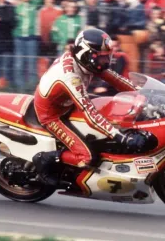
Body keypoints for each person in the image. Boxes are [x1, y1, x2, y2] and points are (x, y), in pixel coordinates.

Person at [32, 28, 152, 186]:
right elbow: (88, 112)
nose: (105, 61)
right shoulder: (70, 76)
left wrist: (146, 95)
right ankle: (45, 158)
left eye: (106, 56)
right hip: (52, 113)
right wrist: (120, 137)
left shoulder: (87, 62)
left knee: (115, 112)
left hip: (68, 101)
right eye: (101, 57)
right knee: (87, 157)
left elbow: (118, 80)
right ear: (86, 53)